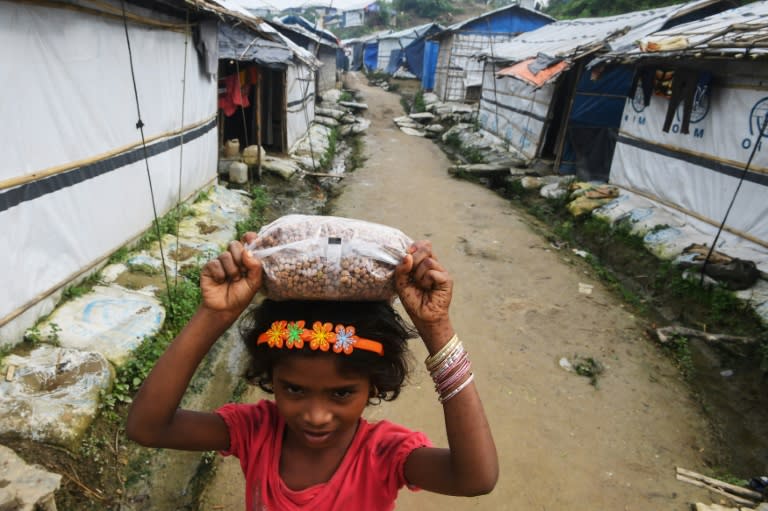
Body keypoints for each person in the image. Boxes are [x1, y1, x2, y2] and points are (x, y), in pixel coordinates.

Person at [126, 232, 498, 510]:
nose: (315, 416)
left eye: (341, 393)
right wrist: (215, 314)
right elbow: (148, 427)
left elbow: (475, 478)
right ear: (270, 379)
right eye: (294, 390)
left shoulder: (383, 453)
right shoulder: (255, 432)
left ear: (374, 385)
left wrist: (436, 329)